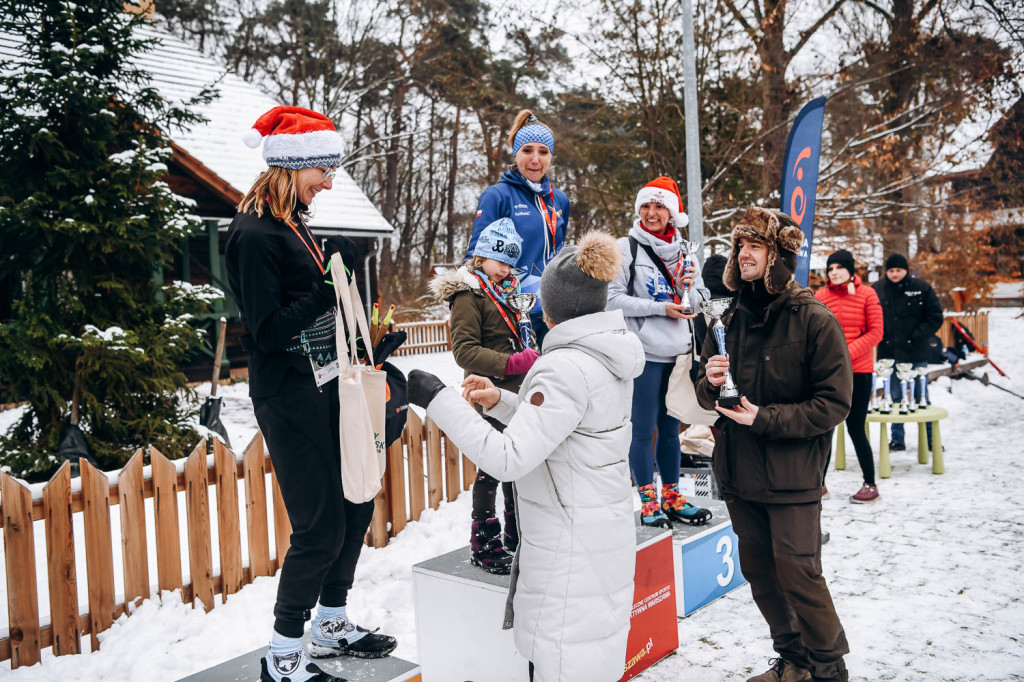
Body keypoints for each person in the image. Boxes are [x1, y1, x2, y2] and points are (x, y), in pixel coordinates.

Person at [407, 232, 644, 682]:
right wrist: (501, 400)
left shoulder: (561, 367)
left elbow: (508, 458)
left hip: (568, 556)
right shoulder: (605, 356)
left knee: (563, 662)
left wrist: (437, 398)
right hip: (598, 536)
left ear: (552, 309)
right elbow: (567, 426)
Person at [225, 106, 396, 682]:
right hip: (287, 393)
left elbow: (320, 313)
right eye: (324, 169)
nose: (330, 181)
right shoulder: (252, 235)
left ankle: (331, 620)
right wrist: (326, 294)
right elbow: (269, 332)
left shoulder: (296, 223)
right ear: (291, 167)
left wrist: (368, 340)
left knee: (355, 501)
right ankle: (283, 651)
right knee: (318, 525)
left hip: (327, 384)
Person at [695, 207, 853, 682]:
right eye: (740, 246)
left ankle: (829, 671)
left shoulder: (814, 319)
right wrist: (708, 378)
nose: (743, 254)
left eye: (754, 247)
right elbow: (704, 391)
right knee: (761, 574)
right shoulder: (727, 317)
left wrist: (766, 418)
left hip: (792, 473)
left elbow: (834, 402)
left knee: (799, 575)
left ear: (778, 255)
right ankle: (793, 663)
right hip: (740, 472)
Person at [428, 217, 538, 574]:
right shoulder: (468, 293)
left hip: (516, 391)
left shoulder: (508, 289)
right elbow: (464, 350)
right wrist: (512, 361)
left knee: (517, 466)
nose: (506, 268)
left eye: (511, 262)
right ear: (481, 257)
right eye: (500, 260)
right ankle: (484, 539)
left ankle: (516, 532)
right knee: (492, 467)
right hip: (488, 389)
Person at [606, 177, 712, 527]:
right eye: (646, 206)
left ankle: (672, 495)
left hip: (679, 355)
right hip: (644, 355)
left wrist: (690, 290)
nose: (652, 213)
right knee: (642, 430)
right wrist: (659, 308)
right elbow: (611, 300)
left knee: (671, 432)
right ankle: (648, 501)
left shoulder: (686, 251)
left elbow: (700, 301)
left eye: (659, 206)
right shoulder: (626, 248)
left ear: (672, 212)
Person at [465, 110, 569, 348]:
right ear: (515, 153)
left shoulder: (560, 200)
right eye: (527, 150)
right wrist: (466, 305)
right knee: (516, 382)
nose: (536, 159)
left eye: (543, 152)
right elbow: (475, 256)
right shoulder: (497, 196)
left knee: (552, 381)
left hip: (552, 313)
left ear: (551, 156)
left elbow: (559, 252)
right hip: (510, 310)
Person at [815, 249, 884, 504]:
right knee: (825, 429)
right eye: (830, 268)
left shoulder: (868, 294)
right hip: (830, 374)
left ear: (851, 270)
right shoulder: (821, 296)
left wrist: (846, 353)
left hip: (859, 372)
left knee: (856, 428)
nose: (834, 272)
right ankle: (818, 484)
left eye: (839, 267)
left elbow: (876, 332)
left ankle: (870, 484)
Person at [873, 253, 943, 451]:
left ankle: (930, 439)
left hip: (915, 351)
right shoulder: (878, 289)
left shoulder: (921, 289)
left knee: (922, 396)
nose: (895, 274)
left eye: (899, 270)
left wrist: (917, 335)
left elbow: (935, 316)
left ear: (906, 270)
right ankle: (897, 439)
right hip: (889, 353)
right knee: (894, 397)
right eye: (891, 271)